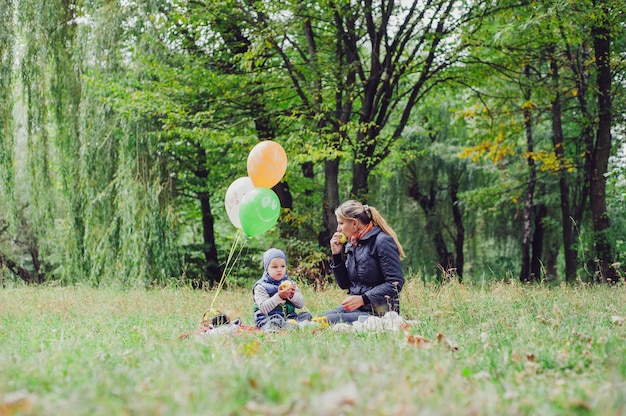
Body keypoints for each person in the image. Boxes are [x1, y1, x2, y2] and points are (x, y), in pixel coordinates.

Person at [322, 200, 405, 324]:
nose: (338, 229)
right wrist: (336, 255)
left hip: (380, 311)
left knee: (326, 322)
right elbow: (345, 284)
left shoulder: (382, 241)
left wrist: (363, 299)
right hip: (357, 308)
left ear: (354, 223)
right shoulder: (353, 243)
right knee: (318, 319)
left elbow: (395, 283)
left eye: (341, 223)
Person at [253, 248, 312, 330]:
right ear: (266, 269)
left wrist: (292, 296)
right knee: (274, 321)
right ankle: (293, 327)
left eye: (283, 266)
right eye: (274, 267)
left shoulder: (289, 283)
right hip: (268, 318)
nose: (279, 270)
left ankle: (293, 326)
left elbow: (301, 305)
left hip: (288, 317)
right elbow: (264, 308)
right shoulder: (261, 286)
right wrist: (279, 296)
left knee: (306, 315)